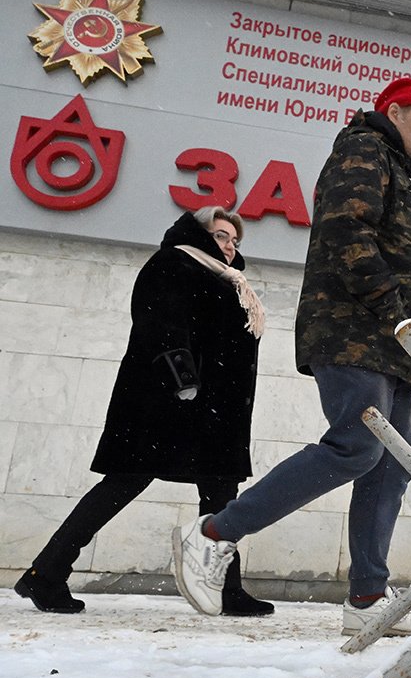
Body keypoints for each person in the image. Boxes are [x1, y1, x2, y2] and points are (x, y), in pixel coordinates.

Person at [173, 77, 411, 636]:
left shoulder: (398, 172)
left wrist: (410, 334)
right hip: (355, 330)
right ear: (395, 113)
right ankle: (214, 533)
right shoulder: (365, 150)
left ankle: (367, 596)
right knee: (356, 447)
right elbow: (348, 231)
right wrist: (394, 311)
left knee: (394, 462)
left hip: (387, 342)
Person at [15, 207, 272, 617]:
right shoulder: (174, 262)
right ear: (199, 234)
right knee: (124, 482)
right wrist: (182, 378)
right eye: (222, 236)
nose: (230, 246)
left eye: (235, 241)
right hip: (166, 402)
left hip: (214, 411)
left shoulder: (226, 280)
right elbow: (160, 323)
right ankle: (46, 573)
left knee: (221, 495)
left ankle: (226, 587)